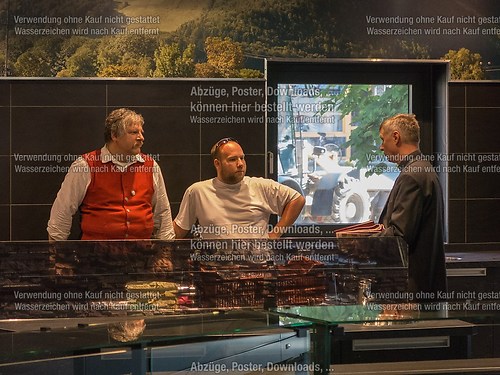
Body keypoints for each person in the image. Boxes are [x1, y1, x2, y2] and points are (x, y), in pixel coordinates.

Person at [47, 108, 175, 240]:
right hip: (96, 257)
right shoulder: (85, 165)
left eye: (141, 132)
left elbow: (163, 215)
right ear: (114, 135)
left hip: (142, 256)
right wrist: (57, 257)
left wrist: (165, 256)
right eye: (134, 132)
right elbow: (61, 214)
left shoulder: (151, 166)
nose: (141, 138)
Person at [174, 138, 305, 239]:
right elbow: (179, 229)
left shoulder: (261, 186)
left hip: (256, 268)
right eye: (232, 160)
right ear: (217, 164)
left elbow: (297, 199)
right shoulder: (198, 191)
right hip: (215, 269)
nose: (240, 164)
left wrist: (275, 234)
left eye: (242, 158)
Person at [377, 114, 447, 302]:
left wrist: (362, 243)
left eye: (383, 139)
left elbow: (399, 235)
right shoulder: (423, 169)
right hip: (424, 285)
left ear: (396, 137)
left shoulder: (412, 176)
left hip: (411, 288)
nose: (381, 147)